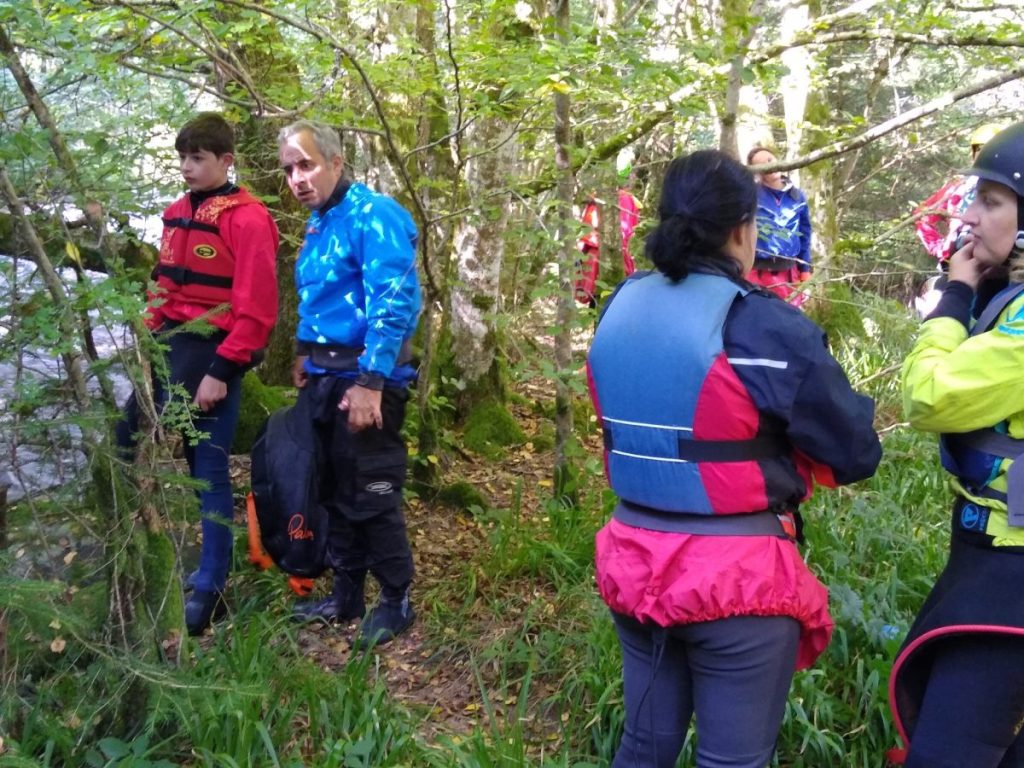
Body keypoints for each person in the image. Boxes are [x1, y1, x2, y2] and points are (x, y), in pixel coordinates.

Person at [587, 149, 881, 768]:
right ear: (744, 228)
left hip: (634, 557)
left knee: (644, 745)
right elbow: (852, 452)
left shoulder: (620, 304)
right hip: (737, 578)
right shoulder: (762, 323)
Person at [890, 122, 1024, 768]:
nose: (970, 216)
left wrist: (956, 294)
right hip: (989, 557)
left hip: (1010, 575)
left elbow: (930, 395)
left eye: (992, 201)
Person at [116, 113, 280, 636]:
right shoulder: (175, 213)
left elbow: (256, 311)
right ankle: (136, 558)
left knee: (206, 469)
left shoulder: (248, 220)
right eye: (183, 158)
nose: (187, 168)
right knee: (123, 445)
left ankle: (211, 588)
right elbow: (162, 288)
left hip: (212, 355)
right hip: (169, 349)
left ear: (225, 161)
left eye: (198, 159)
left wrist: (222, 372)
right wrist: (145, 343)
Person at [277, 120, 421, 649]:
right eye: (289, 168)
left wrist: (371, 380)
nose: (297, 177)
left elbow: (393, 300)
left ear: (336, 163)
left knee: (373, 494)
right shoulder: (320, 222)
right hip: (324, 378)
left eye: (307, 164)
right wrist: (302, 352)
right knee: (334, 494)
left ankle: (395, 600)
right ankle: (346, 594)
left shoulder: (372, 214)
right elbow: (319, 297)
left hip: (366, 379)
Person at [912, 123, 1006, 318]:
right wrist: (939, 247)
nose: (984, 154)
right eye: (979, 148)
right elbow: (922, 215)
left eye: (988, 148)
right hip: (957, 263)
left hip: (999, 269)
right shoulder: (957, 188)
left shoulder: (1012, 188)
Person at [746, 146, 812, 307]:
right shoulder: (750, 195)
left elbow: (805, 235)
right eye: (762, 165)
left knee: (789, 320)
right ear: (758, 172)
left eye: (770, 160)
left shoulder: (797, 197)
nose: (770, 166)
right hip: (757, 274)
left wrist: (805, 271)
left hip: (790, 275)